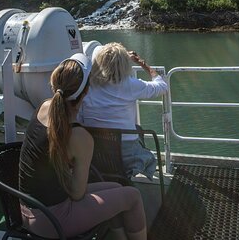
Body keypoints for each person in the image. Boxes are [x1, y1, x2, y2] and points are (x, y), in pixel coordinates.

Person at [19, 53, 147, 240]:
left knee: (116, 186)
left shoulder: (43, 108)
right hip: (52, 220)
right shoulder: (80, 137)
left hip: (28, 209)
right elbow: (77, 193)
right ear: (86, 92)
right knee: (133, 196)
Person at [78, 42, 168, 179]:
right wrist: (143, 64)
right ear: (125, 65)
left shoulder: (86, 87)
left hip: (95, 153)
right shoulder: (130, 85)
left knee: (137, 129)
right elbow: (162, 86)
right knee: (139, 132)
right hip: (125, 155)